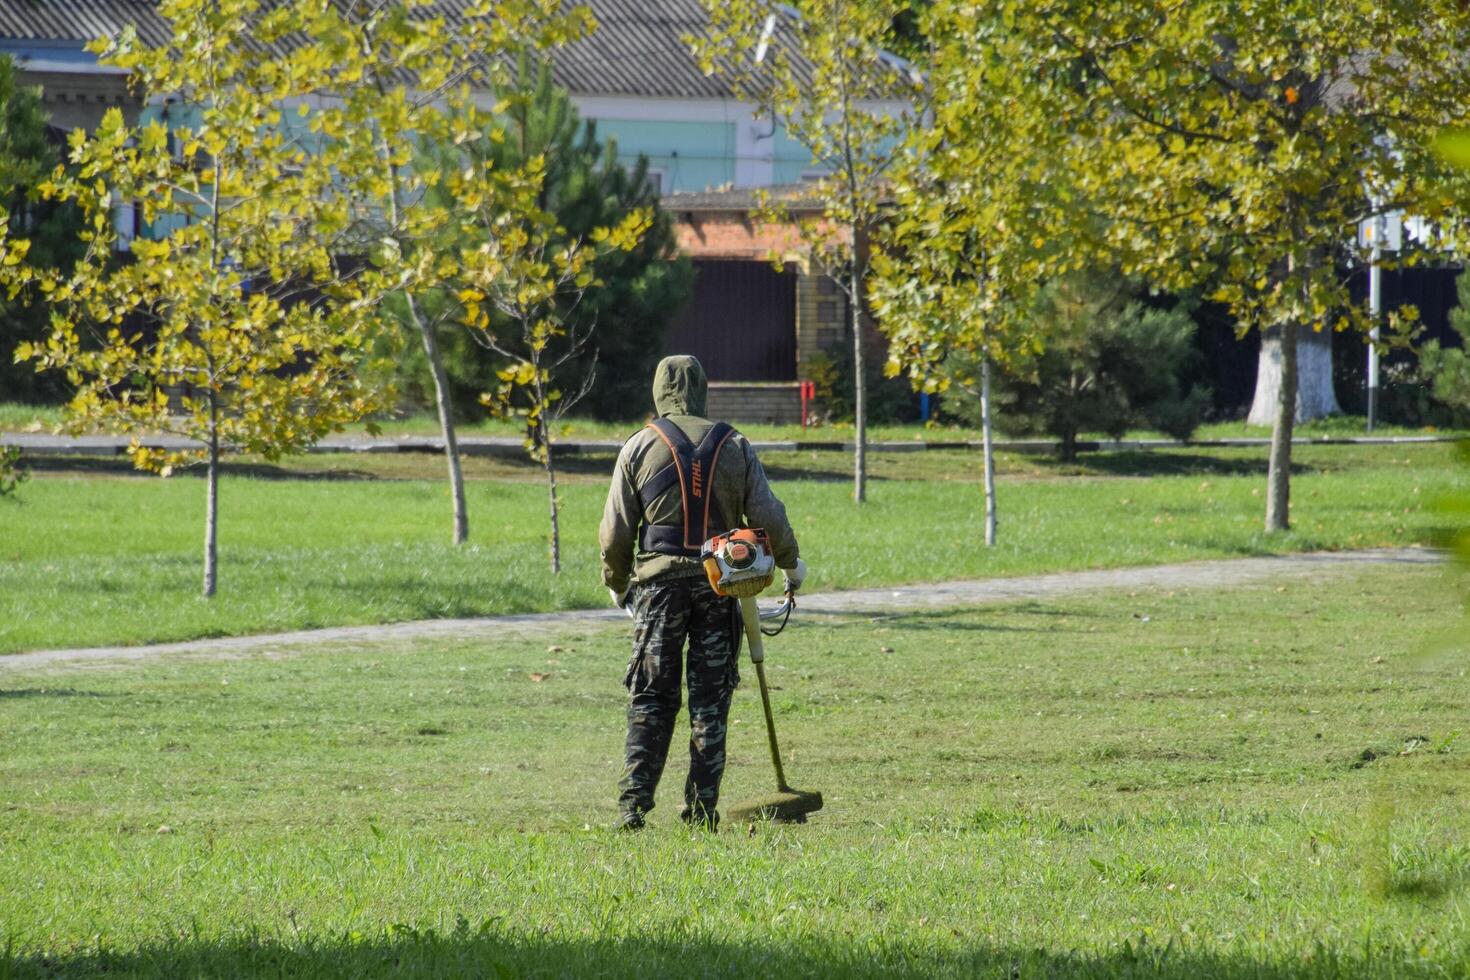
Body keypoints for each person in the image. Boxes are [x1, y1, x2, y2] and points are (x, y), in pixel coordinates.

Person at [599, 355, 806, 831]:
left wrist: (618, 585)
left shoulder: (639, 445)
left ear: (658, 391)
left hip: (657, 589)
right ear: (704, 390)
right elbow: (768, 518)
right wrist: (791, 564)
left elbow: (614, 533)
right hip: (722, 586)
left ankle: (633, 806)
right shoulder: (734, 444)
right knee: (711, 699)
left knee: (651, 697)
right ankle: (700, 809)